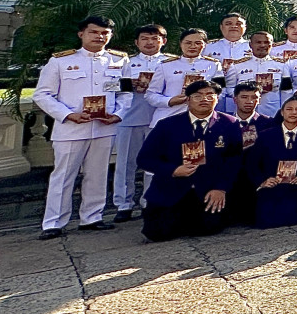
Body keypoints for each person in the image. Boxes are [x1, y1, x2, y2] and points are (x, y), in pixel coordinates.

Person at [34, 16, 129, 238]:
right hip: (71, 128)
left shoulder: (119, 61)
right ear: (82, 34)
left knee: (98, 174)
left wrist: (117, 114)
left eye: (105, 33)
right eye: (94, 32)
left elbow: (125, 93)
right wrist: (67, 115)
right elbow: (42, 94)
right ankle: (53, 223)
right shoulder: (60, 61)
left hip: (104, 127)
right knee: (64, 175)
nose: (99, 37)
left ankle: (92, 217)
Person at [135, 80, 241, 241]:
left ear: (217, 99)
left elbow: (234, 160)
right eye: (197, 96)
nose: (204, 99)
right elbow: (144, 159)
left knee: (206, 230)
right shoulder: (167, 125)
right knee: (158, 234)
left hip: (208, 191)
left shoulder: (230, 124)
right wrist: (173, 170)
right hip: (171, 189)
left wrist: (221, 188)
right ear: (187, 99)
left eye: (209, 95)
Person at [112, 23, 168, 223]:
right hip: (130, 118)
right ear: (137, 42)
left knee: (154, 165)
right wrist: (129, 86)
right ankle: (123, 204)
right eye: (145, 38)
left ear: (163, 41)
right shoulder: (124, 63)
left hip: (160, 120)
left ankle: (148, 202)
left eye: (155, 38)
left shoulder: (171, 63)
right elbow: (110, 86)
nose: (150, 42)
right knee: (125, 163)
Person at [252, 95, 297, 229]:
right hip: (272, 187)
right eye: (289, 109)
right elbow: (252, 164)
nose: (293, 112)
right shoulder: (266, 135)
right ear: (282, 112)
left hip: (296, 187)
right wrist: (263, 181)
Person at [146, 27, 223, 127]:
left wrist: (204, 100)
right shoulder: (165, 66)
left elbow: (221, 91)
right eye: (188, 43)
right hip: (169, 117)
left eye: (198, 43)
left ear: (205, 45)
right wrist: (170, 101)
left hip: (202, 120)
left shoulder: (214, 65)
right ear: (181, 44)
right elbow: (151, 94)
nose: (193, 46)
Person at [224, 82, 271, 226]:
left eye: (254, 97)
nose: (249, 102)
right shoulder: (223, 122)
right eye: (244, 97)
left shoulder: (268, 123)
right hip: (229, 177)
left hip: (258, 177)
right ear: (235, 99)